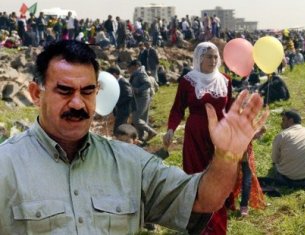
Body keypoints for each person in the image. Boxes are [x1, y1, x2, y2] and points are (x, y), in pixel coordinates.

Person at [0, 40, 269, 234]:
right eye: (64, 91)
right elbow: (177, 108)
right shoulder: (6, 167)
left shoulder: (131, 165)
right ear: (36, 94)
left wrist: (226, 156)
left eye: (87, 91)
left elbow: (201, 199)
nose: (77, 104)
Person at [163, 41, 233, 234]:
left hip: (218, 136)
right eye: (208, 56)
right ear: (199, 58)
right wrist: (171, 129)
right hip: (196, 135)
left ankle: (216, 223)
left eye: (215, 57)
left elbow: (230, 110)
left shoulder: (226, 80)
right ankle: (197, 224)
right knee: (196, 177)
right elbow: (178, 108)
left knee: (217, 177)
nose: (212, 60)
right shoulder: (188, 81)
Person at [263, 109, 305, 189]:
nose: (281, 123)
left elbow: (275, 160)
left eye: (283, 120)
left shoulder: (282, 135)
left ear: (290, 120)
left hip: (285, 180)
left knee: (274, 167)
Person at [128, 60, 158, 142]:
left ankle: (151, 132)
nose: (129, 70)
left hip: (142, 98)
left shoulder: (140, 73)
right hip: (140, 98)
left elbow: (147, 83)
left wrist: (138, 90)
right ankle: (141, 138)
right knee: (142, 119)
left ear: (136, 66)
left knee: (136, 119)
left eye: (130, 67)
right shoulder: (137, 73)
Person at [107, 66, 134, 136]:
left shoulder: (123, 82)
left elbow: (129, 95)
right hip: (121, 110)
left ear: (115, 74)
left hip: (124, 110)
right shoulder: (118, 82)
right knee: (119, 129)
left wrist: (117, 103)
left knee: (119, 130)